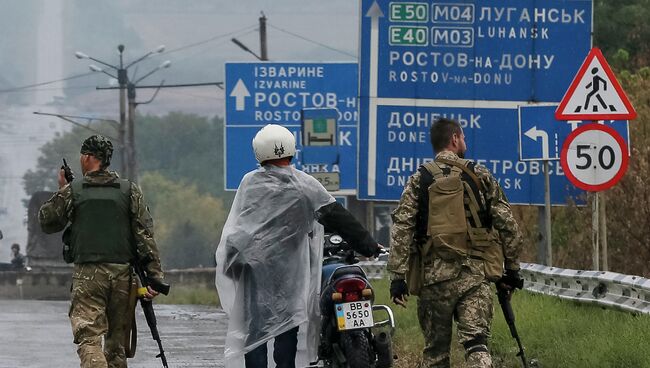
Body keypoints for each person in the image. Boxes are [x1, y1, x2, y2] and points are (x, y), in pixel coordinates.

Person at [215, 124, 382, 368]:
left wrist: (232, 264)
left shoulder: (249, 183)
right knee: (287, 328)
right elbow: (338, 218)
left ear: (258, 153)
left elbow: (239, 226)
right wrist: (369, 246)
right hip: (288, 272)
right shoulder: (306, 185)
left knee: (255, 332)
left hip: (255, 270)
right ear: (292, 150)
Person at [387, 118, 523, 368]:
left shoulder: (419, 178)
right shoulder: (479, 174)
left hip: (433, 280)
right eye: (464, 138)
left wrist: (397, 277)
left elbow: (402, 227)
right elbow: (508, 224)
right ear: (455, 138)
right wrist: (512, 269)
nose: (465, 142)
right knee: (476, 344)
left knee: (436, 354)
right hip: (474, 276)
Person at [38, 135, 166, 368]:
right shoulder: (129, 191)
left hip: (88, 276)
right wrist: (154, 278)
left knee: (88, 337)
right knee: (117, 344)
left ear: (87, 157)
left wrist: (62, 189)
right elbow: (145, 235)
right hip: (122, 277)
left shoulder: (74, 191)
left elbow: (47, 221)